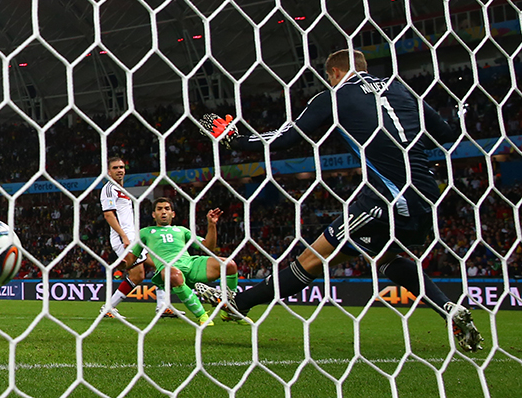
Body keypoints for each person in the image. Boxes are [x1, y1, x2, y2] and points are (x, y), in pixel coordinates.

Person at [195, 49, 483, 352]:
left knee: (311, 259)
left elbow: (286, 138)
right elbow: (445, 133)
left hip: (386, 198)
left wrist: (234, 139)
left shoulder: (333, 97)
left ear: (334, 73)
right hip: (426, 195)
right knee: (383, 260)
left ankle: (240, 302)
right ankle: (450, 310)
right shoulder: (400, 88)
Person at [126, 197, 242, 326]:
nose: (163, 212)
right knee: (173, 274)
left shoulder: (182, 230)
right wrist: (120, 263)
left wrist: (212, 224)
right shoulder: (144, 233)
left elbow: (208, 247)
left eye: (167, 209)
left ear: (173, 214)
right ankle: (202, 316)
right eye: (159, 209)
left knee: (229, 264)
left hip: (191, 265)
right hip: (169, 271)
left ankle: (229, 310)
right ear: (154, 214)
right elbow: (131, 259)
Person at [99, 157, 176, 319]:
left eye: (121, 167)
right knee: (141, 273)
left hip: (134, 237)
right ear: (108, 171)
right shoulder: (109, 189)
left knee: (157, 266)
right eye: (115, 168)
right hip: (124, 238)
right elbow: (108, 214)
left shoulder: (122, 190)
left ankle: (162, 306)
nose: (119, 170)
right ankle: (108, 307)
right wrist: (124, 236)